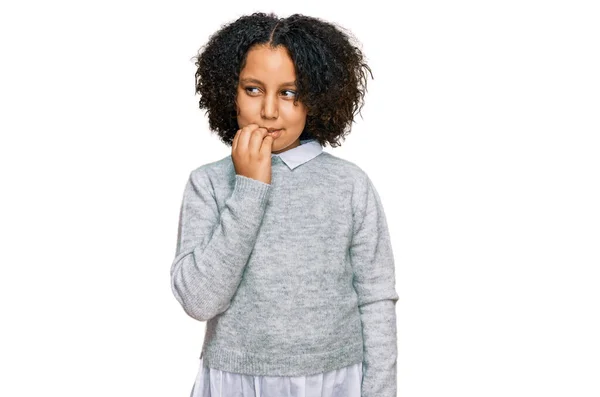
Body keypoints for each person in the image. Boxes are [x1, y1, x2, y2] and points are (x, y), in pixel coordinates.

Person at [170, 12, 399, 397]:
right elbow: (198, 300)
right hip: (234, 381)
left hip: (333, 380)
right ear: (230, 91)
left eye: (289, 92)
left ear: (318, 96)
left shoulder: (349, 185)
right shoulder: (207, 183)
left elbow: (376, 300)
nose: (270, 111)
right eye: (253, 89)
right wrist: (249, 187)